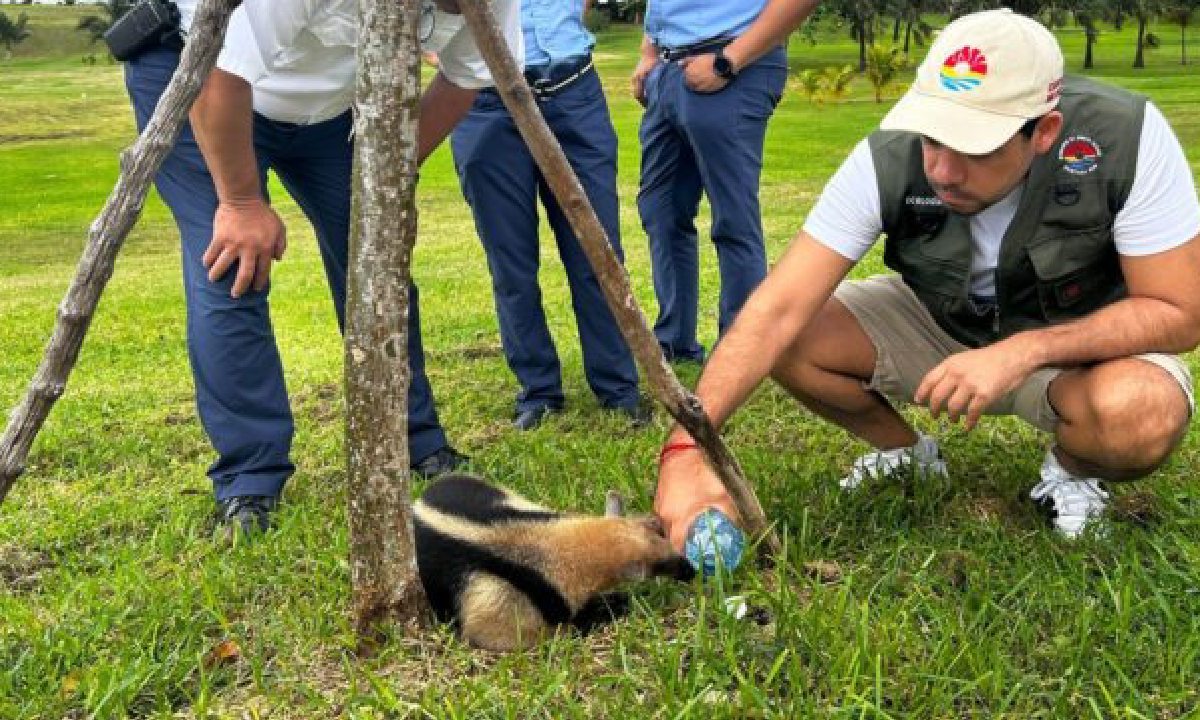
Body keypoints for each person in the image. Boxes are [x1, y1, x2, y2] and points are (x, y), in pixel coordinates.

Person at [654, 9, 1200, 544]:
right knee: (789, 332)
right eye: (933, 137)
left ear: (1044, 131)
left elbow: (1181, 313)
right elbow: (777, 308)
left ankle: (1071, 473)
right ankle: (906, 454)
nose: (941, 170)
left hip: (1081, 347)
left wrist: (1023, 350)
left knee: (1142, 412)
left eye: (973, 146)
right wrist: (686, 446)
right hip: (944, 324)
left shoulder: (1127, 137)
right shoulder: (888, 155)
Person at [121, 0, 523, 533]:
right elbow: (221, 67)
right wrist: (241, 204)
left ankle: (414, 437)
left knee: (378, 262)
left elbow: (463, 77)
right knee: (232, 266)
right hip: (203, 80)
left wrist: (388, 168)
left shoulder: (496, 2)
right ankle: (250, 479)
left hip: (328, 111)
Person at [450, 0, 647, 431]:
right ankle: (538, 391)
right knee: (512, 264)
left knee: (599, 253)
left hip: (573, 93)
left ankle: (618, 388)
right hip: (487, 103)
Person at [631, 0, 819, 363]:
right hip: (670, 70)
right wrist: (649, 51)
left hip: (732, 68)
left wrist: (727, 61)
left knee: (733, 219)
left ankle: (742, 353)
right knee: (661, 211)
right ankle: (674, 343)